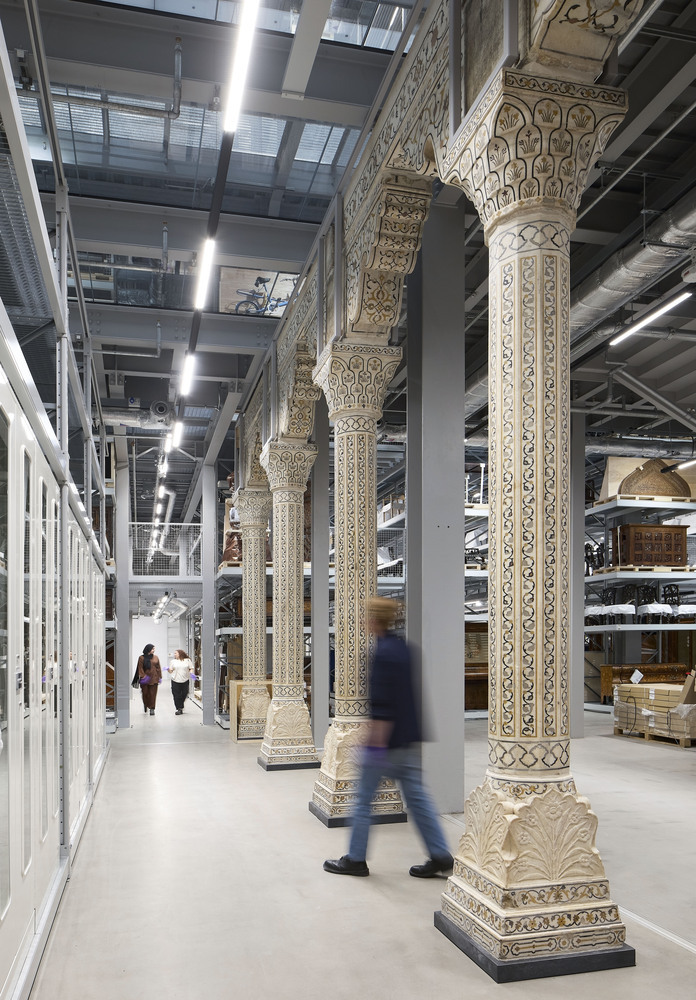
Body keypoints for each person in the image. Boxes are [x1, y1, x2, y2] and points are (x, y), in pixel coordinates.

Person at [323, 598, 453, 879]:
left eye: (366, 617)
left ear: (374, 620)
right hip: (409, 738)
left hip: (387, 743)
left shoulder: (382, 653)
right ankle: (440, 854)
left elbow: (383, 705)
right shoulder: (405, 649)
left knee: (363, 799)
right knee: (418, 799)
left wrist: (374, 745)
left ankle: (355, 858)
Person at [137, 643, 162, 716]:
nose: (154, 650)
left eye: (154, 649)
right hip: (145, 679)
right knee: (145, 693)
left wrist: (159, 676)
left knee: (153, 694)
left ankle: (152, 708)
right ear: (148, 649)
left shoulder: (156, 657)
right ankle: (146, 704)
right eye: (152, 649)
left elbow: (158, 667)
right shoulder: (141, 658)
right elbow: (140, 668)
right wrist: (143, 676)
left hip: (154, 678)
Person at [168, 648, 193, 715]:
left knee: (185, 693)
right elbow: (171, 671)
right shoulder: (173, 661)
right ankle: (179, 708)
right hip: (175, 680)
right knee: (176, 695)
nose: (174, 654)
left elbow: (191, 668)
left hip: (185, 680)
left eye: (176, 653)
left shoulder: (187, 660)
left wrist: (191, 673)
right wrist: (168, 669)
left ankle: (180, 704)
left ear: (180, 654)